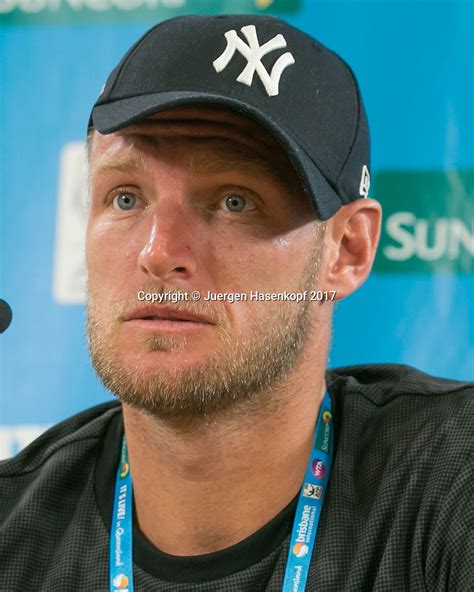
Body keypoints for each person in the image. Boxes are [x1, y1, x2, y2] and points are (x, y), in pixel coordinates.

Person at [0, 14, 472, 592]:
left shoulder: (452, 478)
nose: (158, 252)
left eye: (233, 202)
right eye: (126, 197)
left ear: (345, 251)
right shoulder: (13, 529)